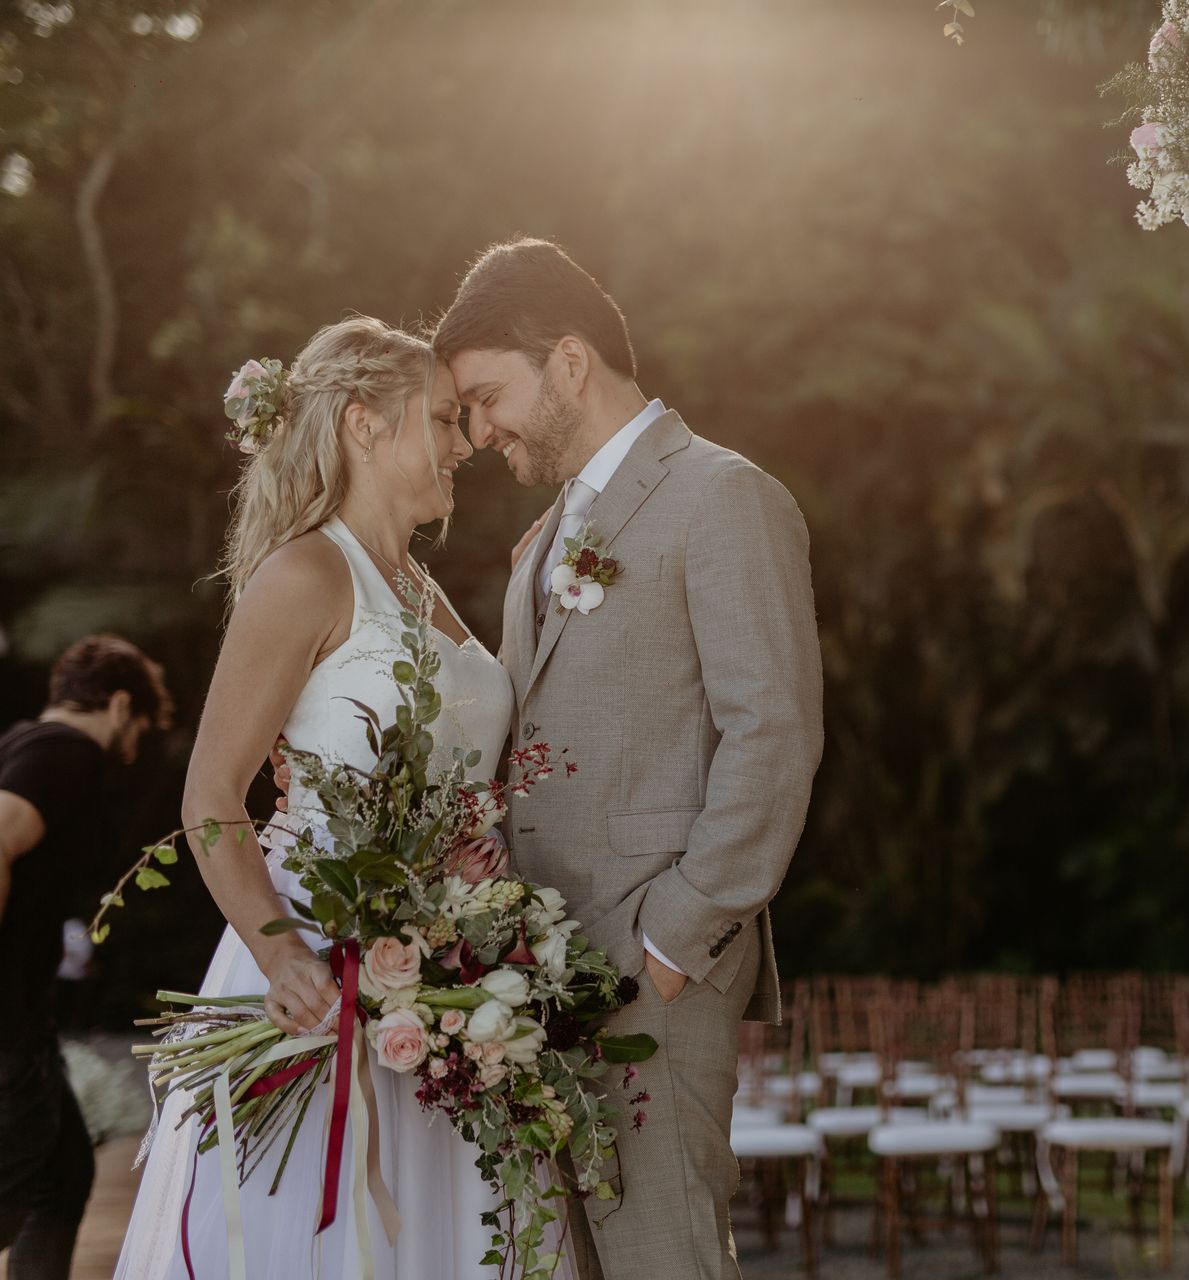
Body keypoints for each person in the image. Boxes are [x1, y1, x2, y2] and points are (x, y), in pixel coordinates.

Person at [112, 317, 552, 1279]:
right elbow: (212, 793)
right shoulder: (305, 572)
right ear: (361, 425)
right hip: (316, 964)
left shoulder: (425, 587)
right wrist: (280, 952)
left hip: (446, 970)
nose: (463, 442)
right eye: (439, 419)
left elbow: (465, 753)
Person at [434, 238, 824, 1279]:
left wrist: (675, 933)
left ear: (569, 361)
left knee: (667, 1258)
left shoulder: (722, 495)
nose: (476, 432)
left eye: (486, 396)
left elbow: (774, 730)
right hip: (540, 979)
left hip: (656, 972)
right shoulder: (546, 533)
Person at [0, 634, 171, 1279]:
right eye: (143, 729)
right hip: (6, 1014)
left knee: (62, 1179)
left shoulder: (22, 742)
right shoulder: (66, 753)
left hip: (24, 1014)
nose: (137, 749)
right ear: (121, 704)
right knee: (10, 1188)